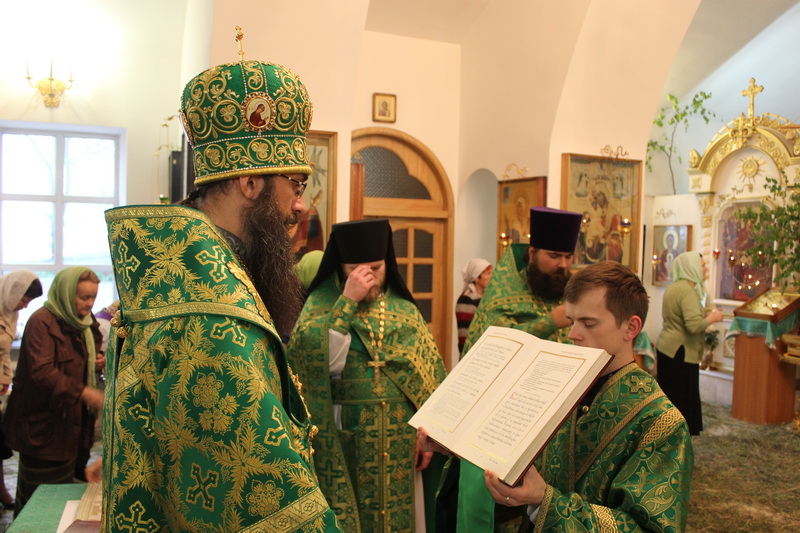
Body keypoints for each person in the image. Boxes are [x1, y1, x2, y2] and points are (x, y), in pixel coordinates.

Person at [101, 33, 341, 532]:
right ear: (250, 183)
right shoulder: (212, 315)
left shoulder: (185, 278)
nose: (301, 205)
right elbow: (270, 504)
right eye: (295, 185)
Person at [419, 262, 694, 532]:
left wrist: (546, 503)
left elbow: (649, 527)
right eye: (572, 321)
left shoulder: (660, 422)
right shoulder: (557, 389)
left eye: (588, 323)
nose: (573, 334)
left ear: (631, 327)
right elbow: (515, 468)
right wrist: (459, 447)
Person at [287, 218, 448, 532]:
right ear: (341, 267)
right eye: (357, 270)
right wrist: (347, 302)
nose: (368, 277)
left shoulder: (405, 310)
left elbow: (429, 379)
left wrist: (427, 432)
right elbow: (316, 365)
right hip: (347, 440)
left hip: (403, 438)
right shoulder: (321, 306)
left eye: (375, 267)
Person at [4, 267, 104, 516]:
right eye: (83, 297)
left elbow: (83, 353)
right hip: (43, 427)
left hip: (71, 425)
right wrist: (83, 392)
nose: (89, 303)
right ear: (65, 294)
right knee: (38, 499)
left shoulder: (83, 320)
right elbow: (42, 372)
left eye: (93, 297)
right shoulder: (42, 321)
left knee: (60, 496)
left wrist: (96, 360)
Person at [462, 206, 583, 354]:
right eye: (554, 256)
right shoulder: (504, 291)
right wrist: (549, 323)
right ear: (532, 253)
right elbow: (492, 346)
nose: (563, 265)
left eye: (568, 257)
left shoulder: (576, 294)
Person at [656, 251, 722, 435]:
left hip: (668, 348)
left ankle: (667, 435)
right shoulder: (687, 291)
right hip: (680, 352)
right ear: (691, 267)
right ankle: (678, 436)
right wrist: (712, 317)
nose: (706, 269)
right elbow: (693, 326)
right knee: (681, 399)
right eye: (702, 265)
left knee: (669, 397)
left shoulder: (674, 287)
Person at [0, 270, 43, 509]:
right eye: (24, 300)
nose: (25, 306)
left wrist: (6, 378)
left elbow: (4, 353)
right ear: (13, 292)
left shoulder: (9, 311)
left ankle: (2, 490)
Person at [456, 258, 493, 354]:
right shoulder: (466, 300)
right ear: (476, 278)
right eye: (487, 274)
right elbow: (465, 333)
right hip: (473, 352)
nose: (491, 277)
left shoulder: (486, 297)